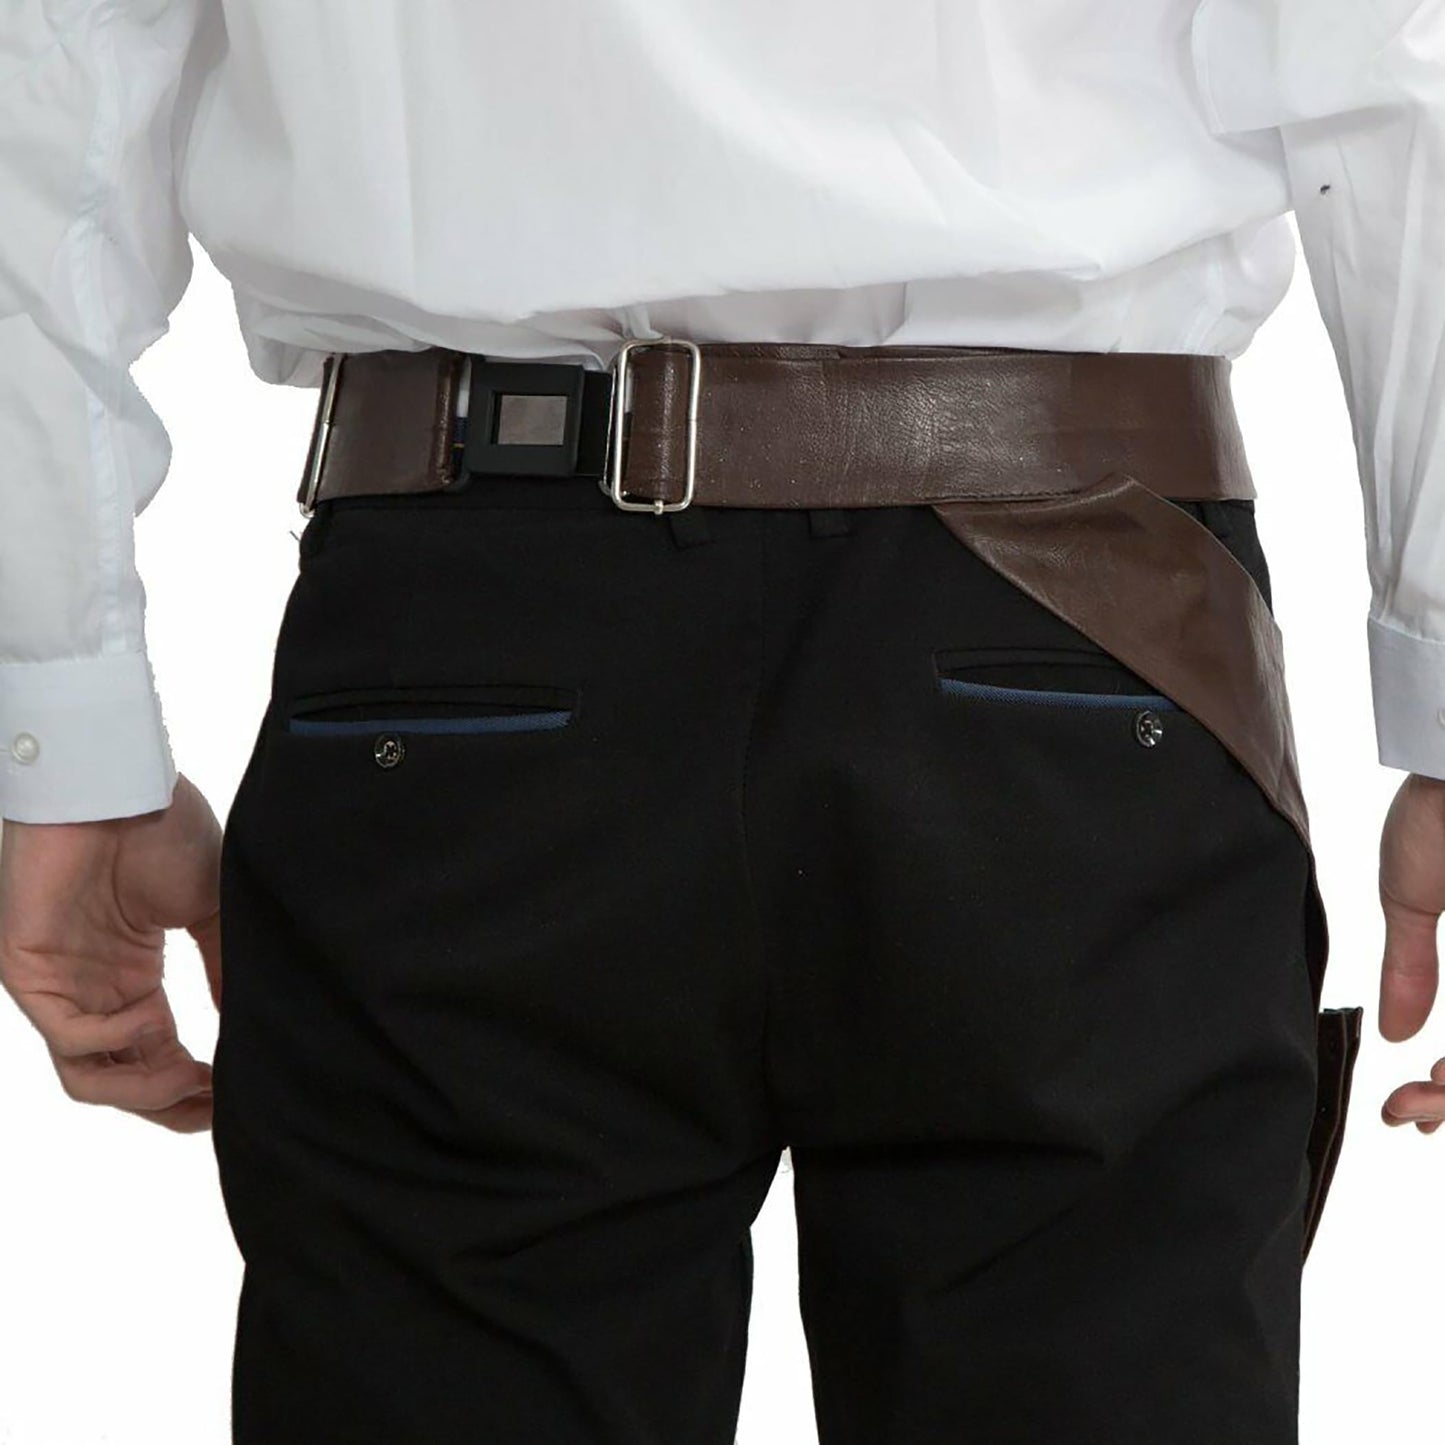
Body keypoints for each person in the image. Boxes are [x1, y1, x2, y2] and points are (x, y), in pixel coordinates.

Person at [0, 2, 1438, 1441]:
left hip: (468, 647)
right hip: (1075, 626)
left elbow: (47, 106)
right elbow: (1398, 74)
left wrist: (66, 734)